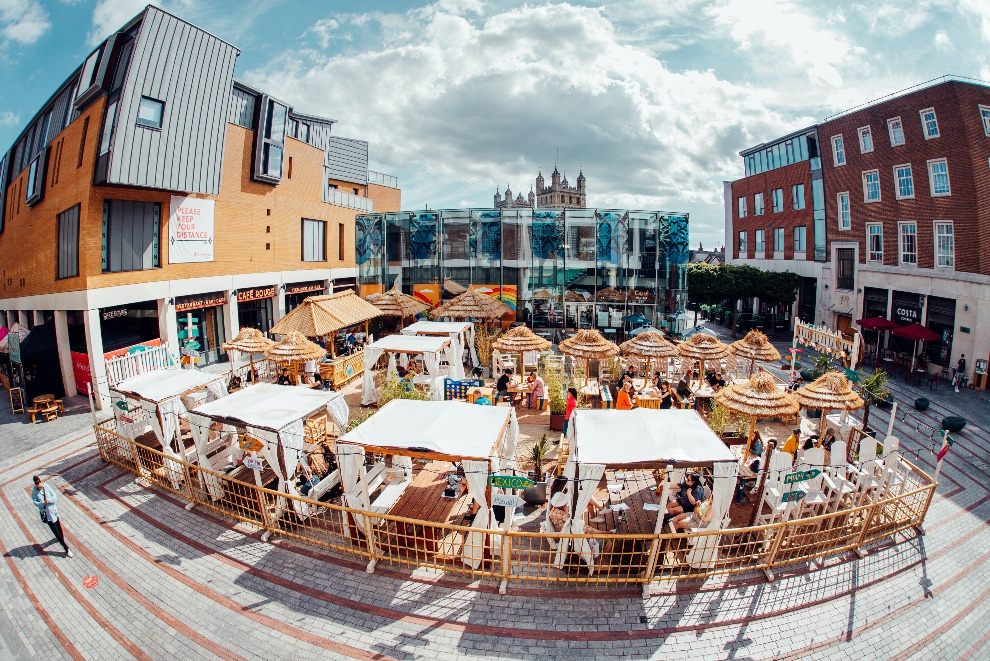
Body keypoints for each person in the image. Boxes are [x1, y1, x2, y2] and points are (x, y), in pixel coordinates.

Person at [31, 475, 72, 557]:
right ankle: (66, 548)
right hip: (47, 516)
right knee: (56, 532)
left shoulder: (46, 486)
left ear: (40, 481)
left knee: (59, 529)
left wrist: (48, 500)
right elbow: (35, 502)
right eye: (36, 484)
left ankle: (61, 540)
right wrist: (42, 503)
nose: (38, 485)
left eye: (39, 483)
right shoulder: (34, 491)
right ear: (35, 484)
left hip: (54, 512)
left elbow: (55, 497)